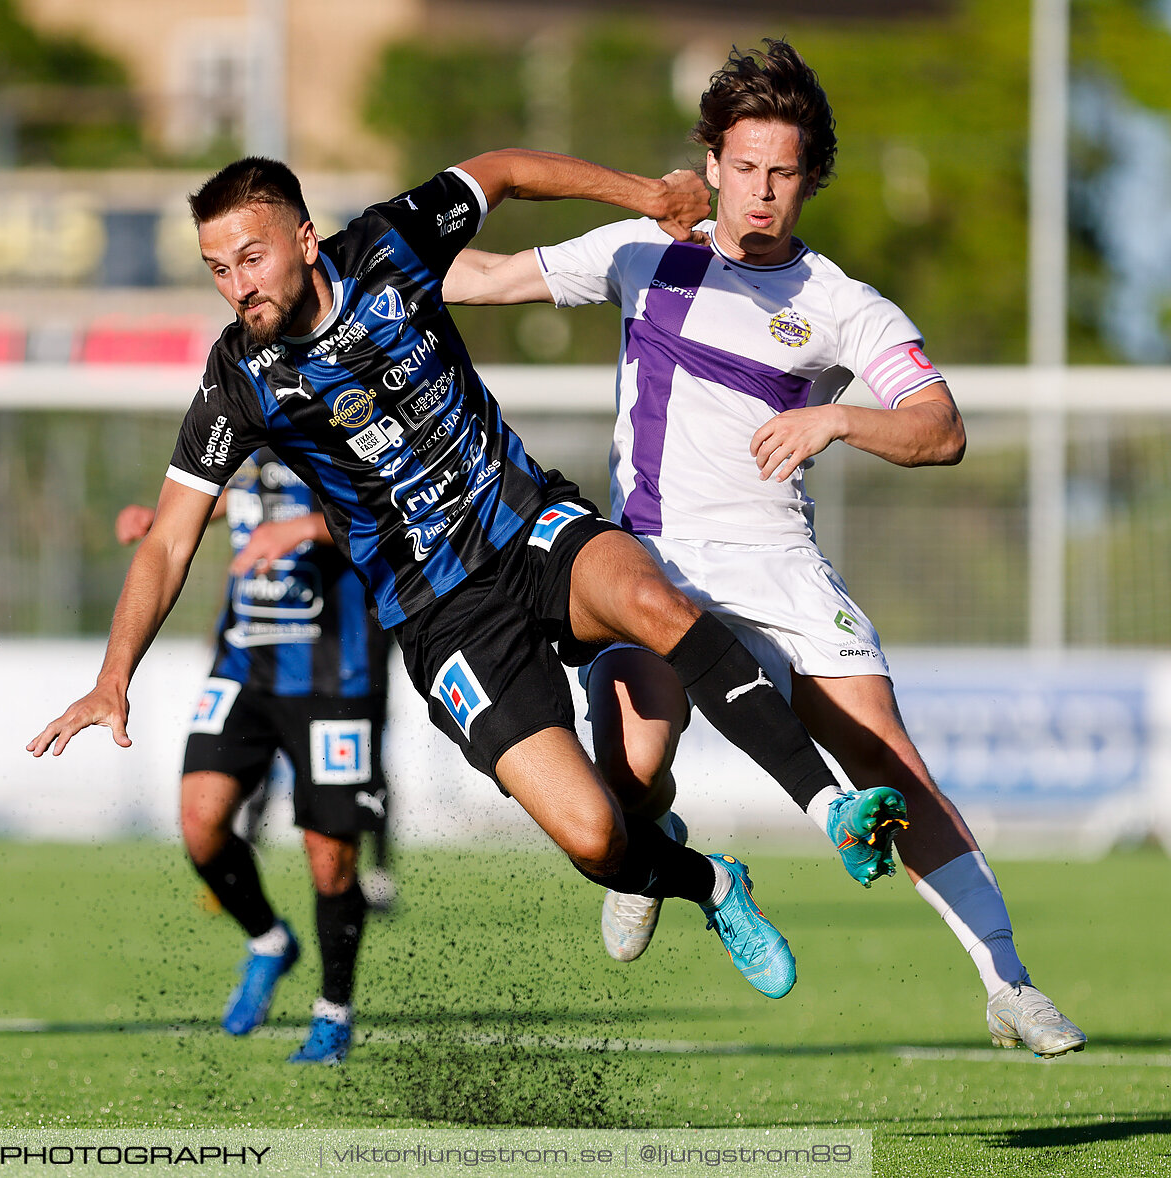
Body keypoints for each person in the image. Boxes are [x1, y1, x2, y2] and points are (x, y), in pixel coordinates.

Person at [31, 146, 899, 1010]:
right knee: (594, 837)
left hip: (525, 523)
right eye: (218, 270)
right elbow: (168, 541)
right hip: (442, 617)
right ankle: (710, 884)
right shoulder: (239, 381)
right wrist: (113, 679)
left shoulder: (389, 245)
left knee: (650, 599)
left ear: (303, 240)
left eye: (251, 260)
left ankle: (828, 809)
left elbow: (508, 168)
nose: (237, 286)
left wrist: (647, 194)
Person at [442, 39, 1083, 1057]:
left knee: (885, 754)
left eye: (782, 172)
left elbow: (941, 427)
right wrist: (345, 267)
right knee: (634, 766)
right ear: (710, 164)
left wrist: (839, 422)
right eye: (743, 167)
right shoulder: (641, 256)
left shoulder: (841, 304)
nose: (761, 192)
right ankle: (664, 846)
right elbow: (475, 275)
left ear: (812, 176)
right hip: (646, 564)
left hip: (775, 562)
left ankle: (1008, 980)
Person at [116, 447, 391, 1063]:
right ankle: (269, 939)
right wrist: (160, 519)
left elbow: (389, 510)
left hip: (332, 672)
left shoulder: (343, 415)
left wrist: (301, 528)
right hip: (243, 662)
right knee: (200, 821)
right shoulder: (239, 415)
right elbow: (236, 492)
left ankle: (333, 1013)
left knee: (330, 859)